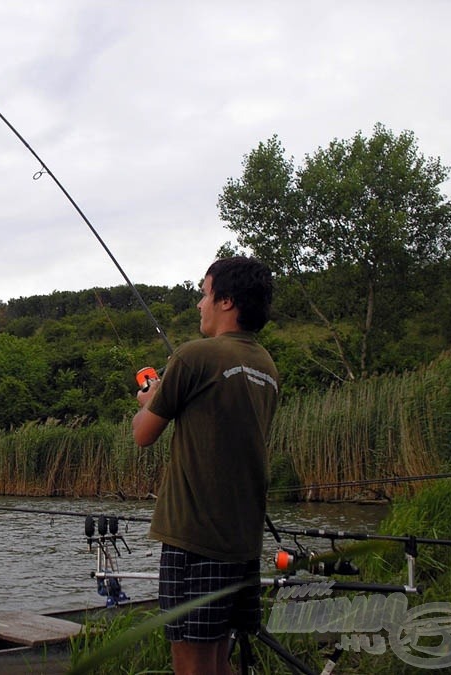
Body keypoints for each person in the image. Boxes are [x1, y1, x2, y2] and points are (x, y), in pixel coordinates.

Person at [132, 256, 278, 675]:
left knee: (191, 664)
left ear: (227, 301)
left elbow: (143, 435)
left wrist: (148, 400)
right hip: (242, 542)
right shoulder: (266, 367)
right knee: (218, 659)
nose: (200, 303)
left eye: (204, 293)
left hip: (193, 538)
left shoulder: (194, 357)